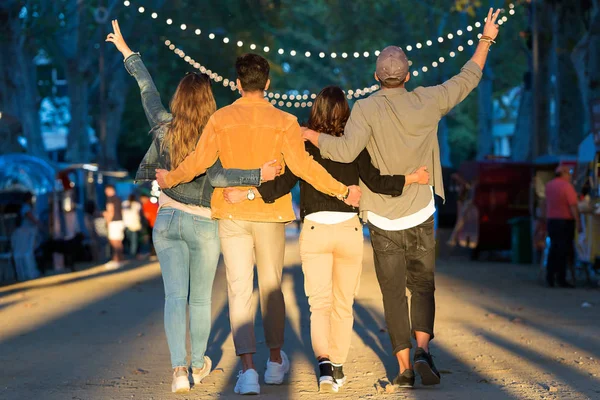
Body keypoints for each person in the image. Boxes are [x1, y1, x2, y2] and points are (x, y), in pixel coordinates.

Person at [302, 8, 502, 388]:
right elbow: (469, 77)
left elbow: (344, 153)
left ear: (377, 77)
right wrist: (486, 38)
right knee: (423, 284)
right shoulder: (429, 100)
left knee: (393, 293)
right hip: (421, 211)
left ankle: (404, 367)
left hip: (380, 216)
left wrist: (313, 137)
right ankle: (424, 349)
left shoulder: (365, 108)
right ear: (408, 76)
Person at [155, 53, 361, 395]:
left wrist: (169, 178)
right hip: (271, 215)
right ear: (267, 83)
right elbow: (304, 168)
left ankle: (248, 370)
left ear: (237, 83)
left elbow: (198, 163)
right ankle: (275, 362)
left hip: (232, 216)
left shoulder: (221, 119)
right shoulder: (284, 120)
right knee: (271, 287)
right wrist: (342, 190)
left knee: (239, 290)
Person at [106, 20, 281, 394]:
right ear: (208, 102)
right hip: (203, 223)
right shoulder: (213, 132)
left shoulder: (163, 126)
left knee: (174, 297)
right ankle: (199, 363)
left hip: (167, 219)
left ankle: (178, 372)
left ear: (179, 100)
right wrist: (257, 175)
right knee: (200, 298)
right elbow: (220, 177)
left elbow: (146, 90)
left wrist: (127, 53)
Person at [222, 86, 430, 392]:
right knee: (343, 305)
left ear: (315, 110)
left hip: (315, 230)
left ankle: (323, 367)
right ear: (346, 113)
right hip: (348, 230)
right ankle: (338, 367)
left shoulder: (304, 146)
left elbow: (282, 184)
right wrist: (413, 178)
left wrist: (248, 192)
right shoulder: (355, 146)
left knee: (318, 305)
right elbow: (377, 182)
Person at [545, 165, 581, 288]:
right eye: (569, 174)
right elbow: (573, 206)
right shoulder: (567, 186)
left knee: (554, 249)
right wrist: (578, 222)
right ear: (564, 174)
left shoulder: (549, 185)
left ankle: (550, 276)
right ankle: (561, 278)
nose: (570, 176)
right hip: (565, 222)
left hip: (551, 221)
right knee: (563, 251)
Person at [11, 192, 40, 281]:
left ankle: (27, 272)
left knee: (26, 252)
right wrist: (40, 224)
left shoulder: (28, 207)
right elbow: (31, 218)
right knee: (27, 252)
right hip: (26, 233)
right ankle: (28, 272)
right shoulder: (26, 207)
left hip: (27, 232)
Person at [103, 184, 125, 270]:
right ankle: (120, 259)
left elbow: (110, 211)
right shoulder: (119, 198)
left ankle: (116, 260)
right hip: (120, 221)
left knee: (114, 242)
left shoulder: (110, 199)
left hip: (114, 222)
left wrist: (108, 222)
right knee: (119, 241)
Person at [122, 194, 143, 258]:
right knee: (134, 241)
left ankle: (129, 253)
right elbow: (139, 215)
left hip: (126, 224)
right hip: (135, 225)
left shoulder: (124, 203)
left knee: (128, 240)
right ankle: (134, 254)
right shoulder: (137, 205)